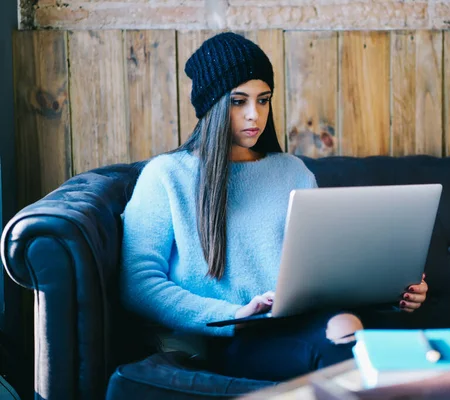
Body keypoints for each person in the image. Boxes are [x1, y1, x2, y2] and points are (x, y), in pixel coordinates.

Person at [120, 31, 429, 382]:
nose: (255, 114)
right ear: (212, 105)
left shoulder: (292, 171)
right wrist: (236, 313)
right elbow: (139, 286)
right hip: (228, 336)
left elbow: (326, 271)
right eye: (239, 101)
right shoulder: (165, 176)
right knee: (342, 342)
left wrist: (395, 292)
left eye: (263, 100)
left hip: (304, 323)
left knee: (355, 332)